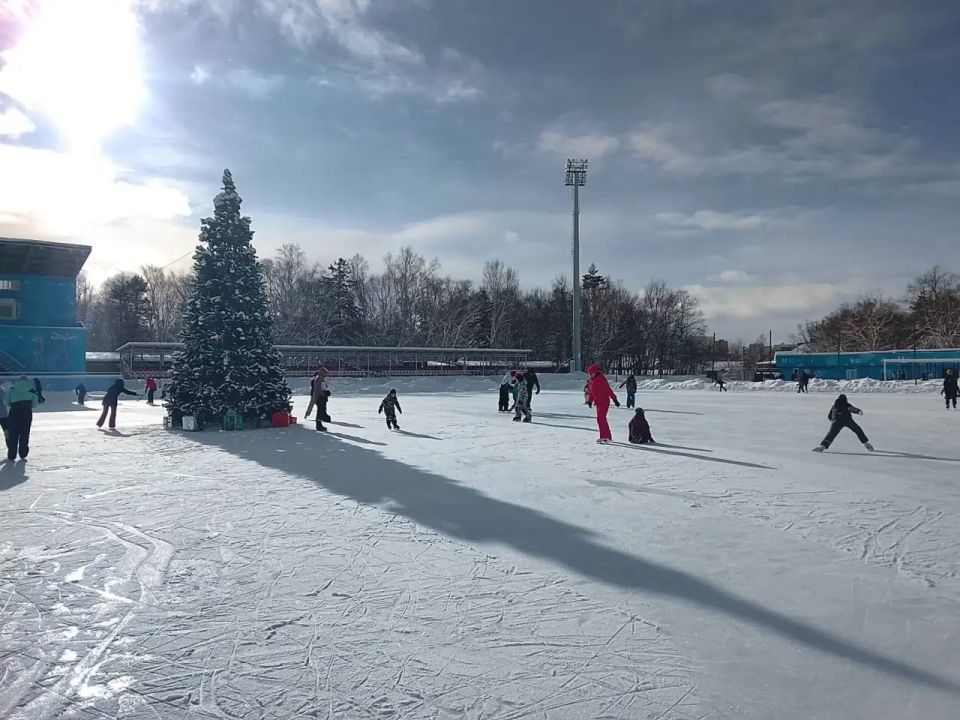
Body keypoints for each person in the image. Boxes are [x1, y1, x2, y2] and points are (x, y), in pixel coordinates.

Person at [586, 363, 619, 444]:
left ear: (596, 372)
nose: (591, 375)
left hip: (604, 402)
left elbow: (608, 390)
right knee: (601, 419)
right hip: (598, 403)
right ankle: (608, 436)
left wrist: (614, 399)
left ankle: (604, 437)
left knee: (601, 418)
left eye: (592, 373)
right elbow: (592, 392)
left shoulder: (601, 379)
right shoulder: (591, 381)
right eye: (590, 373)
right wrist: (590, 401)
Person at [6, 376, 35, 461]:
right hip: (26, 412)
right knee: (25, 433)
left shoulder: (12, 390)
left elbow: (7, 401)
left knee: (13, 434)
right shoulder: (31, 390)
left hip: (14, 412)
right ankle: (23, 453)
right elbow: (35, 403)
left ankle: (12, 454)